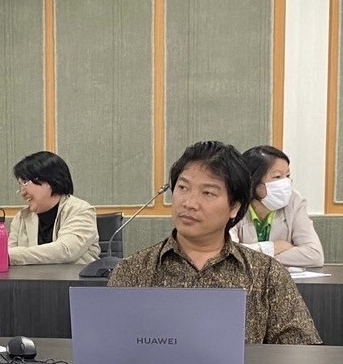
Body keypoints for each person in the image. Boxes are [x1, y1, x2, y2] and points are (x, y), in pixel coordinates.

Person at [108, 141, 321, 345]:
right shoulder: (133, 271)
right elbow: (110, 347)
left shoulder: (266, 274)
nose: (189, 203)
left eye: (208, 193)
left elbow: (301, 352)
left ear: (234, 207)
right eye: (183, 188)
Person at [0, 151, 100, 266]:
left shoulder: (81, 210)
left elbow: (66, 250)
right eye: (20, 185)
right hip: (32, 282)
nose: (22, 192)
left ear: (50, 181)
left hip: (72, 281)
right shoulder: (22, 217)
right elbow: (10, 253)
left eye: (25, 183)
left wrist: (11, 255)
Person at [230, 145, 324, 267]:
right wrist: (273, 248)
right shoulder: (233, 204)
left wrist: (255, 258)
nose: (285, 183)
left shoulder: (294, 201)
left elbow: (315, 255)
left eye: (287, 176)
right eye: (277, 177)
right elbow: (229, 255)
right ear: (253, 181)